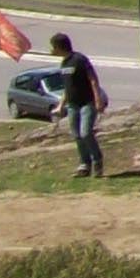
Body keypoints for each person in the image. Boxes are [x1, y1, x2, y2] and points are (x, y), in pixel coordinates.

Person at [50, 32, 107, 178]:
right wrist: (60, 105)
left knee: (86, 132)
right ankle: (84, 165)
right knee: (77, 135)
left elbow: (93, 80)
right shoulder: (64, 64)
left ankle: (97, 161)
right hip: (72, 105)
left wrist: (98, 100)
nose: (51, 50)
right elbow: (67, 88)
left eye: (53, 47)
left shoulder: (79, 60)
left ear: (59, 47)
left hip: (87, 103)